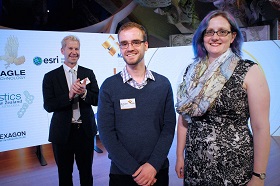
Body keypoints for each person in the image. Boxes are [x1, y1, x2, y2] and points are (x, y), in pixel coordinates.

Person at [175, 10, 270, 186]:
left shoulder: (249, 71)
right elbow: (184, 118)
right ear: (202, 37)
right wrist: (180, 156)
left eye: (222, 31)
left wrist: (259, 176)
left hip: (233, 169)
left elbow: (260, 127)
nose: (215, 37)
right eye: (209, 31)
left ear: (233, 36)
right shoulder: (191, 72)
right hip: (196, 166)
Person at [97, 22, 176, 186]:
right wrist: (135, 170)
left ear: (146, 45)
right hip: (123, 174)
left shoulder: (163, 84)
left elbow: (168, 128)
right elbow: (106, 133)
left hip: (157, 171)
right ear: (119, 48)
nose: (129, 47)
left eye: (135, 42)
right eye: (124, 43)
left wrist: (153, 165)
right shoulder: (109, 86)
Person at [42, 35, 99, 186]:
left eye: (76, 48)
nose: (74, 52)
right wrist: (69, 95)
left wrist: (84, 93)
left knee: (86, 173)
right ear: (62, 51)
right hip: (62, 134)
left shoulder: (89, 73)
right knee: (65, 175)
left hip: (85, 132)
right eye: (70, 48)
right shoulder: (50, 77)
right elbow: (48, 106)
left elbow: (98, 99)